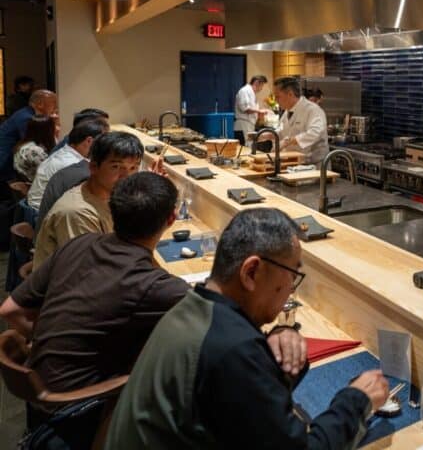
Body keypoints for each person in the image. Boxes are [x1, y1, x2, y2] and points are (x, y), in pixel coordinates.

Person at [0, 173, 310, 448]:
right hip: (80, 412)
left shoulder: (79, 244)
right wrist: (282, 333)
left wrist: (53, 336)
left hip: (40, 394)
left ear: (111, 208)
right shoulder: (155, 286)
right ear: (172, 219)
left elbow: (10, 307)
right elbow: (218, 316)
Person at [104, 208, 389, 449]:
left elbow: (240, 396)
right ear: (251, 272)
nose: (291, 288)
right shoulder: (231, 350)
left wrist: (278, 345)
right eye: (292, 274)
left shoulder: (193, 307)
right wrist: (357, 399)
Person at [33, 131, 143, 266]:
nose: (126, 176)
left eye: (133, 168)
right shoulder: (76, 212)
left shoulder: (111, 194)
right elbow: (90, 273)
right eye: (116, 167)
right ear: (93, 167)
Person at [27, 117, 109, 210]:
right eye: (104, 142)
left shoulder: (65, 152)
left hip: (38, 209)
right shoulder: (72, 164)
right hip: (42, 215)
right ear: (89, 141)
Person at [0, 89, 58, 182]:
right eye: (53, 103)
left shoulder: (26, 113)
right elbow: (39, 143)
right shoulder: (26, 118)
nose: (55, 107)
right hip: (5, 160)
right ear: (40, 104)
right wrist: (53, 128)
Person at [271, 76, 328, 164]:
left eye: (278, 97)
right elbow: (283, 131)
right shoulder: (288, 111)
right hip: (294, 162)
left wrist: (288, 141)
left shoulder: (313, 110)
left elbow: (315, 133)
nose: (275, 100)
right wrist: (268, 135)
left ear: (290, 94)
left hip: (313, 165)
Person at [13, 115, 57, 183]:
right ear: (47, 131)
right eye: (55, 126)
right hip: (36, 186)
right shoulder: (32, 150)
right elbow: (51, 172)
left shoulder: (31, 144)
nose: (57, 129)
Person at [234, 75, 268, 145]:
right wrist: (259, 111)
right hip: (243, 124)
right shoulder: (244, 91)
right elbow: (245, 108)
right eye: (262, 86)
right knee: (245, 147)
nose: (261, 89)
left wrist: (259, 113)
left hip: (249, 124)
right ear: (257, 83)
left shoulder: (251, 92)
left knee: (250, 146)